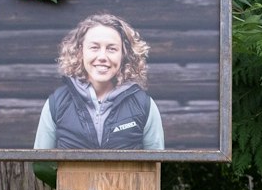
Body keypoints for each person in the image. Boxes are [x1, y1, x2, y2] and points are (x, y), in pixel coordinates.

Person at [33, 13, 165, 150]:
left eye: (111, 49)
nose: (102, 56)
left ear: (124, 54)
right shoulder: (56, 104)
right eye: (94, 47)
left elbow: (155, 167)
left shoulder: (144, 105)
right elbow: (42, 166)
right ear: (80, 51)